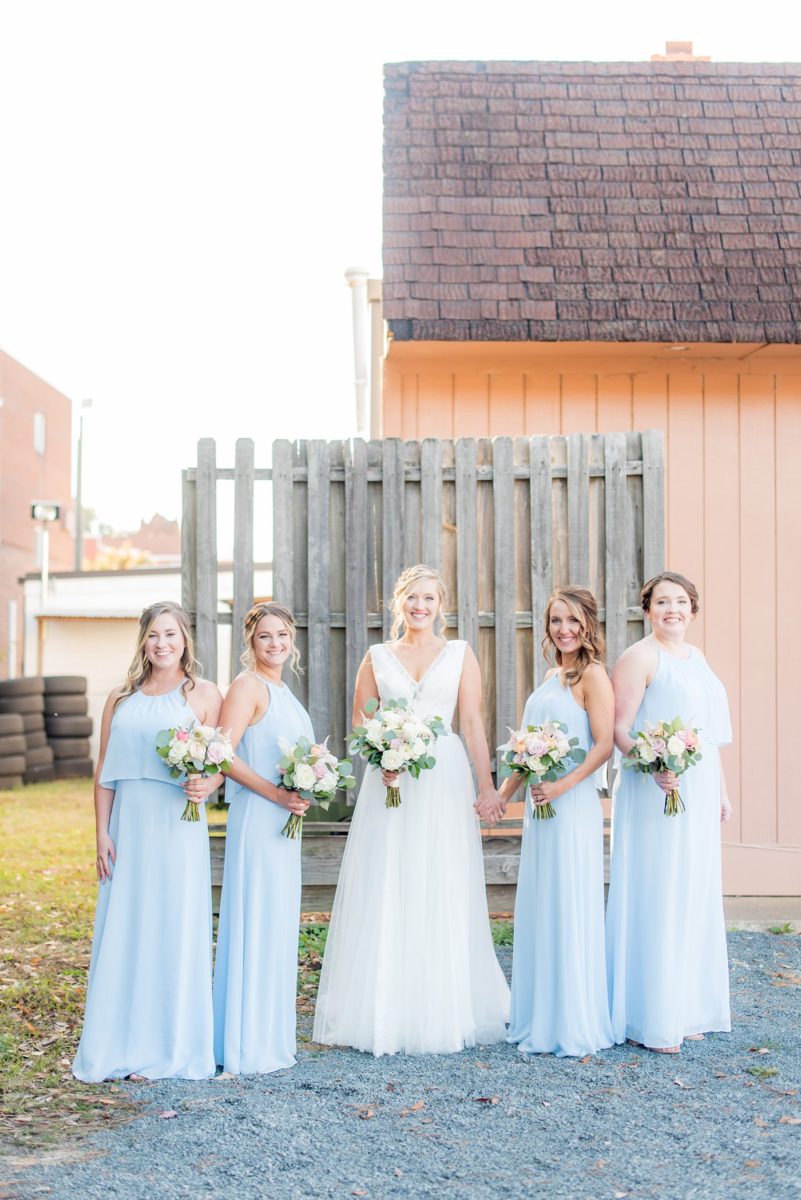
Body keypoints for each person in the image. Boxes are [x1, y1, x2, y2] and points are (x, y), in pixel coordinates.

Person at [313, 565, 510, 1055]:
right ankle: (387, 1006)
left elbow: (472, 722)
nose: (420, 606)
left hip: (443, 775)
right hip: (393, 782)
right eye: (412, 598)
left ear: (441, 604)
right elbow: (362, 723)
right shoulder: (376, 657)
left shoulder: (460, 654)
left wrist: (487, 789)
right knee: (392, 877)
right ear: (397, 602)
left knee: (441, 877)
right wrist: (381, 760)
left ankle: (443, 1005)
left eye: (429, 598)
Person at [73, 602, 222, 1082]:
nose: (162, 644)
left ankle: (170, 1049)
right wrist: (102, 834)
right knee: (127, 927)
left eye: (171, 635)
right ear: (143, 640)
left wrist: (208, 784)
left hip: (177, 825)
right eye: (154, 635)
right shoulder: (120, 698)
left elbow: (220, 762)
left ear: (185, 641)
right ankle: (119, 1043)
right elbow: (103, 775)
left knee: (172, 926)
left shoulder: (202, 695)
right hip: (129, 828)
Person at [605, 572, 733, 1053]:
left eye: (681, 602)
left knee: (691, 889)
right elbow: (620, 728)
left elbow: (708, 735)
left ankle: (683, 1008)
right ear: (647, 610)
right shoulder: (639, 658)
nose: (672, 609)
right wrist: (653, 764)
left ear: (693, 610)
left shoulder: (695, 658)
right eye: (662, 602)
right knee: (658, 888)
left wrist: (720, 790)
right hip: (653, 790)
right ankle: (649, 1014)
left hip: (694, 790)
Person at [492, 587, 614, 1057]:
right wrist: (501, 796)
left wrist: (562, 787)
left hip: (571, 805)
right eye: (556, 620)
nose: (564, 629)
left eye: (572, 621)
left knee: (568, 899)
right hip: (541, 812)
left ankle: (572, 1021)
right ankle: (540, 1016)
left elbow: (603, 744)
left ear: (588, 625)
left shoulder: (594, 676)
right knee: (542, 902)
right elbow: (526, 750)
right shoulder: (549, 676)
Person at [213, 603, 313, 1074]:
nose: (275, 644)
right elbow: (222, 755)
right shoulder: (247, 686)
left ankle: (270, 1036)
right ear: (250, 644)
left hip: (283, 822)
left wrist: (305, 788)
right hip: (257, 817)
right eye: (265, 637)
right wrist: (275, 793)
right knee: (254, 916)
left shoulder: (284, 691)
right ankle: (244, 1043)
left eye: (282, 635)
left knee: (276, 920)